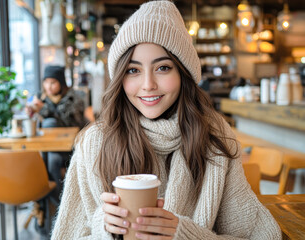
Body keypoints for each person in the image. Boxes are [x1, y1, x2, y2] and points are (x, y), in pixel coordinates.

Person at [51, 1, 281, 239]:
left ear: (183, 73)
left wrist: (186, 235)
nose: (148, 84)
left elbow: (259, 235)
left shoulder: (214, 136)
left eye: (162, 68)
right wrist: (104, 230)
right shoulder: (95, 142)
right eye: (133, 70)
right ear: (120, 77)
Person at [27, 65, 86, 202]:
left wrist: (43, 110)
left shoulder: (73, 98)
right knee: (47, 160)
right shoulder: (38, 97)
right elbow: (29, 110)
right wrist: (30, 110)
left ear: (61, 82)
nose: (48, 86)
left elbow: (69, 123)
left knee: (50, 125)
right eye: (46, 82)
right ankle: (54, 202)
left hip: (69, 147)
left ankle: (55, 202)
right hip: (46, 149)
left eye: (53, 82)